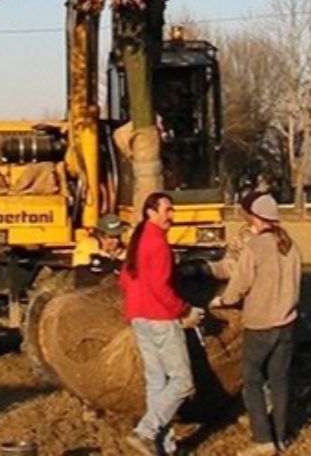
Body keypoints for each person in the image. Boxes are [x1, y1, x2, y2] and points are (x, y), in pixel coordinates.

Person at [208, 191, 302, 456]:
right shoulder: (291, 245)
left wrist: (221, 301)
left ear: (255, 217)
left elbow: (238, 286)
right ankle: (281, 438)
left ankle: (263, 441)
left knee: (252, 380)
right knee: (280, 381)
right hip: (287, 324)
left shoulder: (255, 247)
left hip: (261, 326)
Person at [119, 192, 203, 456]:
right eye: (167, 210)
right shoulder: (158, 244)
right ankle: (145, 432)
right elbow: (160, 287)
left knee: (156, 382)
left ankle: (162, 447)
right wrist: (184, 310)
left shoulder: (138, 240)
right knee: (182, 382)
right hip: (161, 320)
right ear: (150, 213)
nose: (172, 216)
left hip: (138, 318)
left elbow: (124, 280)